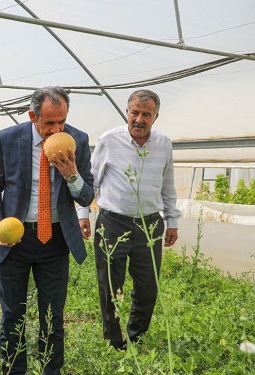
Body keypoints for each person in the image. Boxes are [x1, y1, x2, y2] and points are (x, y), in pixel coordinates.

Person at [0, 86, 94, 375]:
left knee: (52, 316)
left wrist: (72, 175)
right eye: (49, 123)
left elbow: (85, 197)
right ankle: (14, 370)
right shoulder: (7, 139)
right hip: (14, 240)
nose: (57, 129)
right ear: (33, 116)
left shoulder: (77, 141)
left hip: (55, 240)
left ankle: (51, 371)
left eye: (62, 121)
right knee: (12, 316)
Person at [77, 89, 180, 351]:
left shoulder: (164, 143)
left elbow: (167, 185)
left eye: (146, 114)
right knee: (111, 284)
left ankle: (137, 337)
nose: (139, 119)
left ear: (156, 117)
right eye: (135, 112)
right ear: (127, 112)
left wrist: (172, 220)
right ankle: (114, 341)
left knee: (148, 286)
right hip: (113, 222)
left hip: (150, 224)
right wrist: (83, 214)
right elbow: (92, 181)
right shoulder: (109, 140)